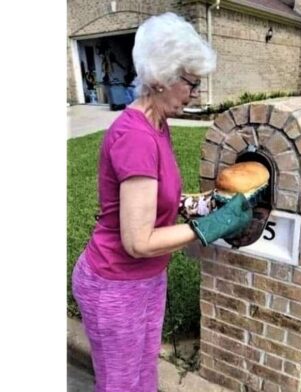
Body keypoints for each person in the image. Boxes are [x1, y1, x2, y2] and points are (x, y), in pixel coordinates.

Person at [71, 12, 251, 392]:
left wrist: (208, 205)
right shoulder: (135, 137)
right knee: (121, 384)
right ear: (160, 78)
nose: (196, 93)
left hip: (149, 279)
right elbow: (137, 241)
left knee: (144, 377)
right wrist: (211, 227)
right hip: (115, 284)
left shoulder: (158, 126)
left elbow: (159, 202)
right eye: (191, 83)